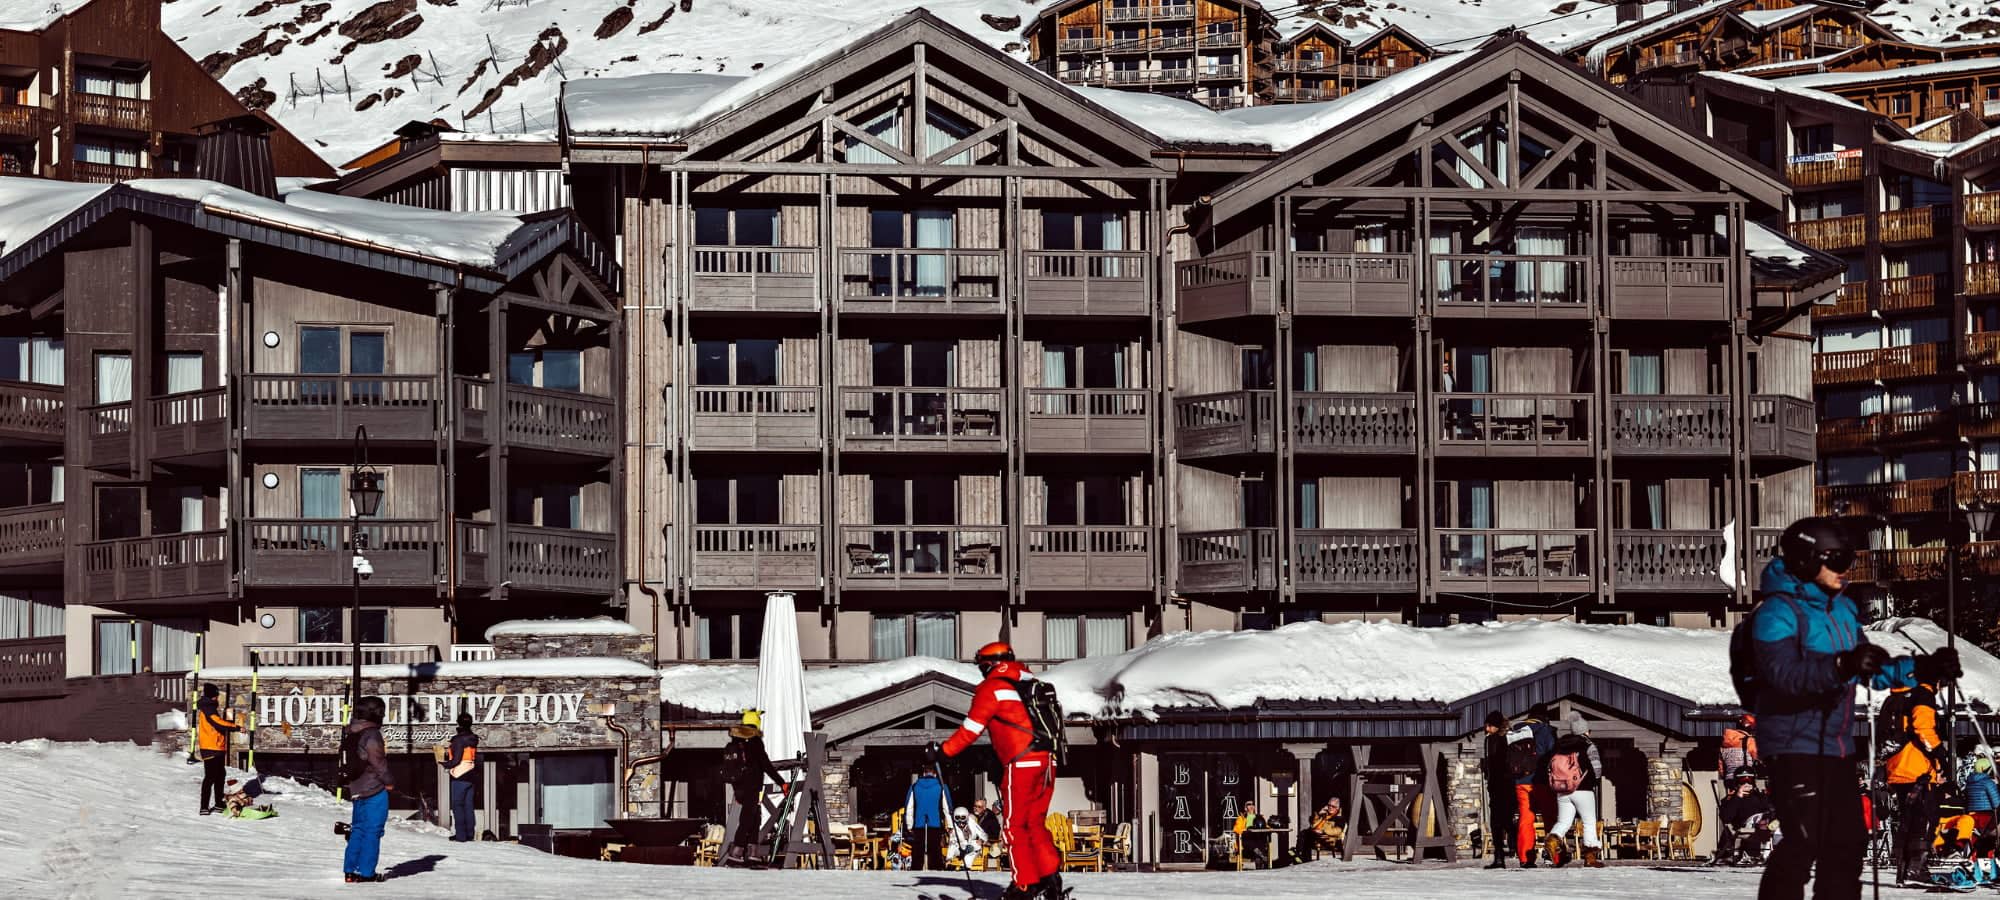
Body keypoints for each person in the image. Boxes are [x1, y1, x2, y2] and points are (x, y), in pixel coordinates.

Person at [1750, 516, 1956, 900]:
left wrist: (1922, 669)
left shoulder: (1842, 611)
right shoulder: (1777, 613)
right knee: (1806, 839)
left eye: (1850, 559)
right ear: (1807, 561)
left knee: (1848, 843)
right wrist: (1841, 665)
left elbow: (1871, 670)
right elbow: (1782, 675)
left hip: (1836, 745)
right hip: (1794, 742)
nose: (1846, 569)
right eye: (1837, 560)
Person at [930, 641, 1063, 900]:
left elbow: (971, 729)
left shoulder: (992, 688)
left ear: (989, 665)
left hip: (1021, 763)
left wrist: (943, 751)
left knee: (1014, 826)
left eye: (982, 666)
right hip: (1048, 761)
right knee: (1035, 823)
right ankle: (1050, 880)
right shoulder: (1030, 683)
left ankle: (1023, 886)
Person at [1883, 675, 1946, 884]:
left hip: (1897, 767)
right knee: (1924, 819)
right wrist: (1939, 753)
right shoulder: (1923, 694)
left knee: (1908, 820)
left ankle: (1904, 871)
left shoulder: (1894, 698)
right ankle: (1916, 868)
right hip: (1917, 767)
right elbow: (1923, 727)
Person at [721, 709, 785, 867]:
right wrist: (781, 782)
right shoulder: (755, 742)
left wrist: (737, 789)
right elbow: (765, 764)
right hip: (752, 786)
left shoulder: (735, 742)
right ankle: (736, 854)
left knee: (755, 817)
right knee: (747, 819)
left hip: (739, 787)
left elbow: (734, 768)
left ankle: (752, 854)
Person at [341, 696, 393, 883]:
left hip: (356, 787)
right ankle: (366, 872)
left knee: (358, 829)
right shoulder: (372, 735)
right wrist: (389, 781)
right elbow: (378, 762)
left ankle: (350, 871)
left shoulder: (351, 732)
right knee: (373, 830)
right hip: (374, 788)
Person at [1544, 718, 1606, 868]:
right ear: (1586, 731)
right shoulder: (1588, 745)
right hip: (1583, 789)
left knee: (1563, 822)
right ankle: (1590, 857)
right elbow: (1597, 768)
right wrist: (1594, 781)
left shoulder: (1560, 745)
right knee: (1589, 822)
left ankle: (1552, 841)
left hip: (1562, 789)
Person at [1506, 704, 1558, 867]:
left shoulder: (1517, 731)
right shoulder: (1545, 730)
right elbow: (1553, 754)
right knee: (1551, 818)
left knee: (1526, 818)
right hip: (1541, 782)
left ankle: (1525, 857)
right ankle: (1553, 855)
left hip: (1520, 782)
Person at [193, 683, 240, 816]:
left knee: (220, 775)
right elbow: (217, 722)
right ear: (213, 695)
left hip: (216, 746)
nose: (218, 697)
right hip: (211, 747)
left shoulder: (209, 706)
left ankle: (219, 804)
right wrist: (235, 727)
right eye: (217, 694)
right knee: (210, 777)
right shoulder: (208, 707)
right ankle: (204, 807)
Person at [1479, 710, 1516, 869]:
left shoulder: (1492, 740)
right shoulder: (1510, 737)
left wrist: (1490, 782)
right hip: (1510, 785)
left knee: (1496, 823)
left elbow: (1494, 765)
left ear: (1494, 726)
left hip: (1498, 786)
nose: (1486, 728)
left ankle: (1500, 857)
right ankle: (1516, 847)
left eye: (1488, 725)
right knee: (1507, 820)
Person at [1716, 772, 1779, 866]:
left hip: (1762, 827)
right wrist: (1738, 796)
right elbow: (1725, 818)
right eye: (1743, 781)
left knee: (1774, 815)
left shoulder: (1760, 796)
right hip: (1744, 827)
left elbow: (1769, 808)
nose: (1747, 784)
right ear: (1737, 783)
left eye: (1750, 780)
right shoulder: (1732, 799)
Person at [904, 765, 953, 871]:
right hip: (935, 822)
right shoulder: (941, 786)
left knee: (917, 851)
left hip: (919, 823)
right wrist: (950, 824)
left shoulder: (914, 786)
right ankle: (936, 872)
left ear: (924, 773)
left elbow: (909, 807)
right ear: (935, 774)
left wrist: (909, 824)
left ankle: (915, 872)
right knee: (935, 850)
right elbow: (947, 807)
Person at [444, 711, 479, 842]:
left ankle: (460, 835)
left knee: (457, 805)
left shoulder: (458, 739)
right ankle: (469, 834)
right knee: (468, 806)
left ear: (458, 723)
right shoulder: (473, 738)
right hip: (471, 773)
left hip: (459, 774)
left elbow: (456, 760)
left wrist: (444, 763)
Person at [1722, 714, 1761, 779]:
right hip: (1746, 776)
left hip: (1729, 777)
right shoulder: (1750, 741)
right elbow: (1757, 757)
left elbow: (1720, 764)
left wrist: (1725, 775)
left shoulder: (1725, 741)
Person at [1968, 756, 2000, 835]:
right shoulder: (1988, 783)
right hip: (1987, 818)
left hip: (1972, 817)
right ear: (1984, 769)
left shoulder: (1969, 782)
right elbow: (1996, 803)